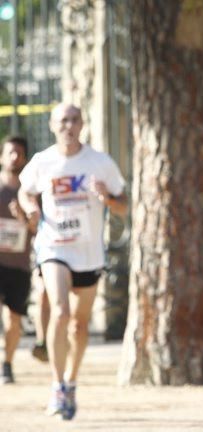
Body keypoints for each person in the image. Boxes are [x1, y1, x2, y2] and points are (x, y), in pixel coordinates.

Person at [18, 103, 128, 420]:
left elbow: (122, 206)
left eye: (74, 119)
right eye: (62, 120)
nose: (68, 125)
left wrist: (106, 197)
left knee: (80, 325)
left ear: (83, 124)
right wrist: (31, 209)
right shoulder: (43, 161)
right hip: (54, 248)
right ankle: (56, 384)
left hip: (89, 254)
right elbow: (26, 193)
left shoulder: (100, 163)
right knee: (61, 311)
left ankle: (71, 381)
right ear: (53, 125)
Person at [0, 136, 36, 385]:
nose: (15, 157)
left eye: (20, 154)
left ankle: (7, 364)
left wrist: (22, 217)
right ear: (2, 156)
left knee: (13, 319)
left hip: (19, 265)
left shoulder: (30, 192)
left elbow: (38, 229)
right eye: (11, 152)